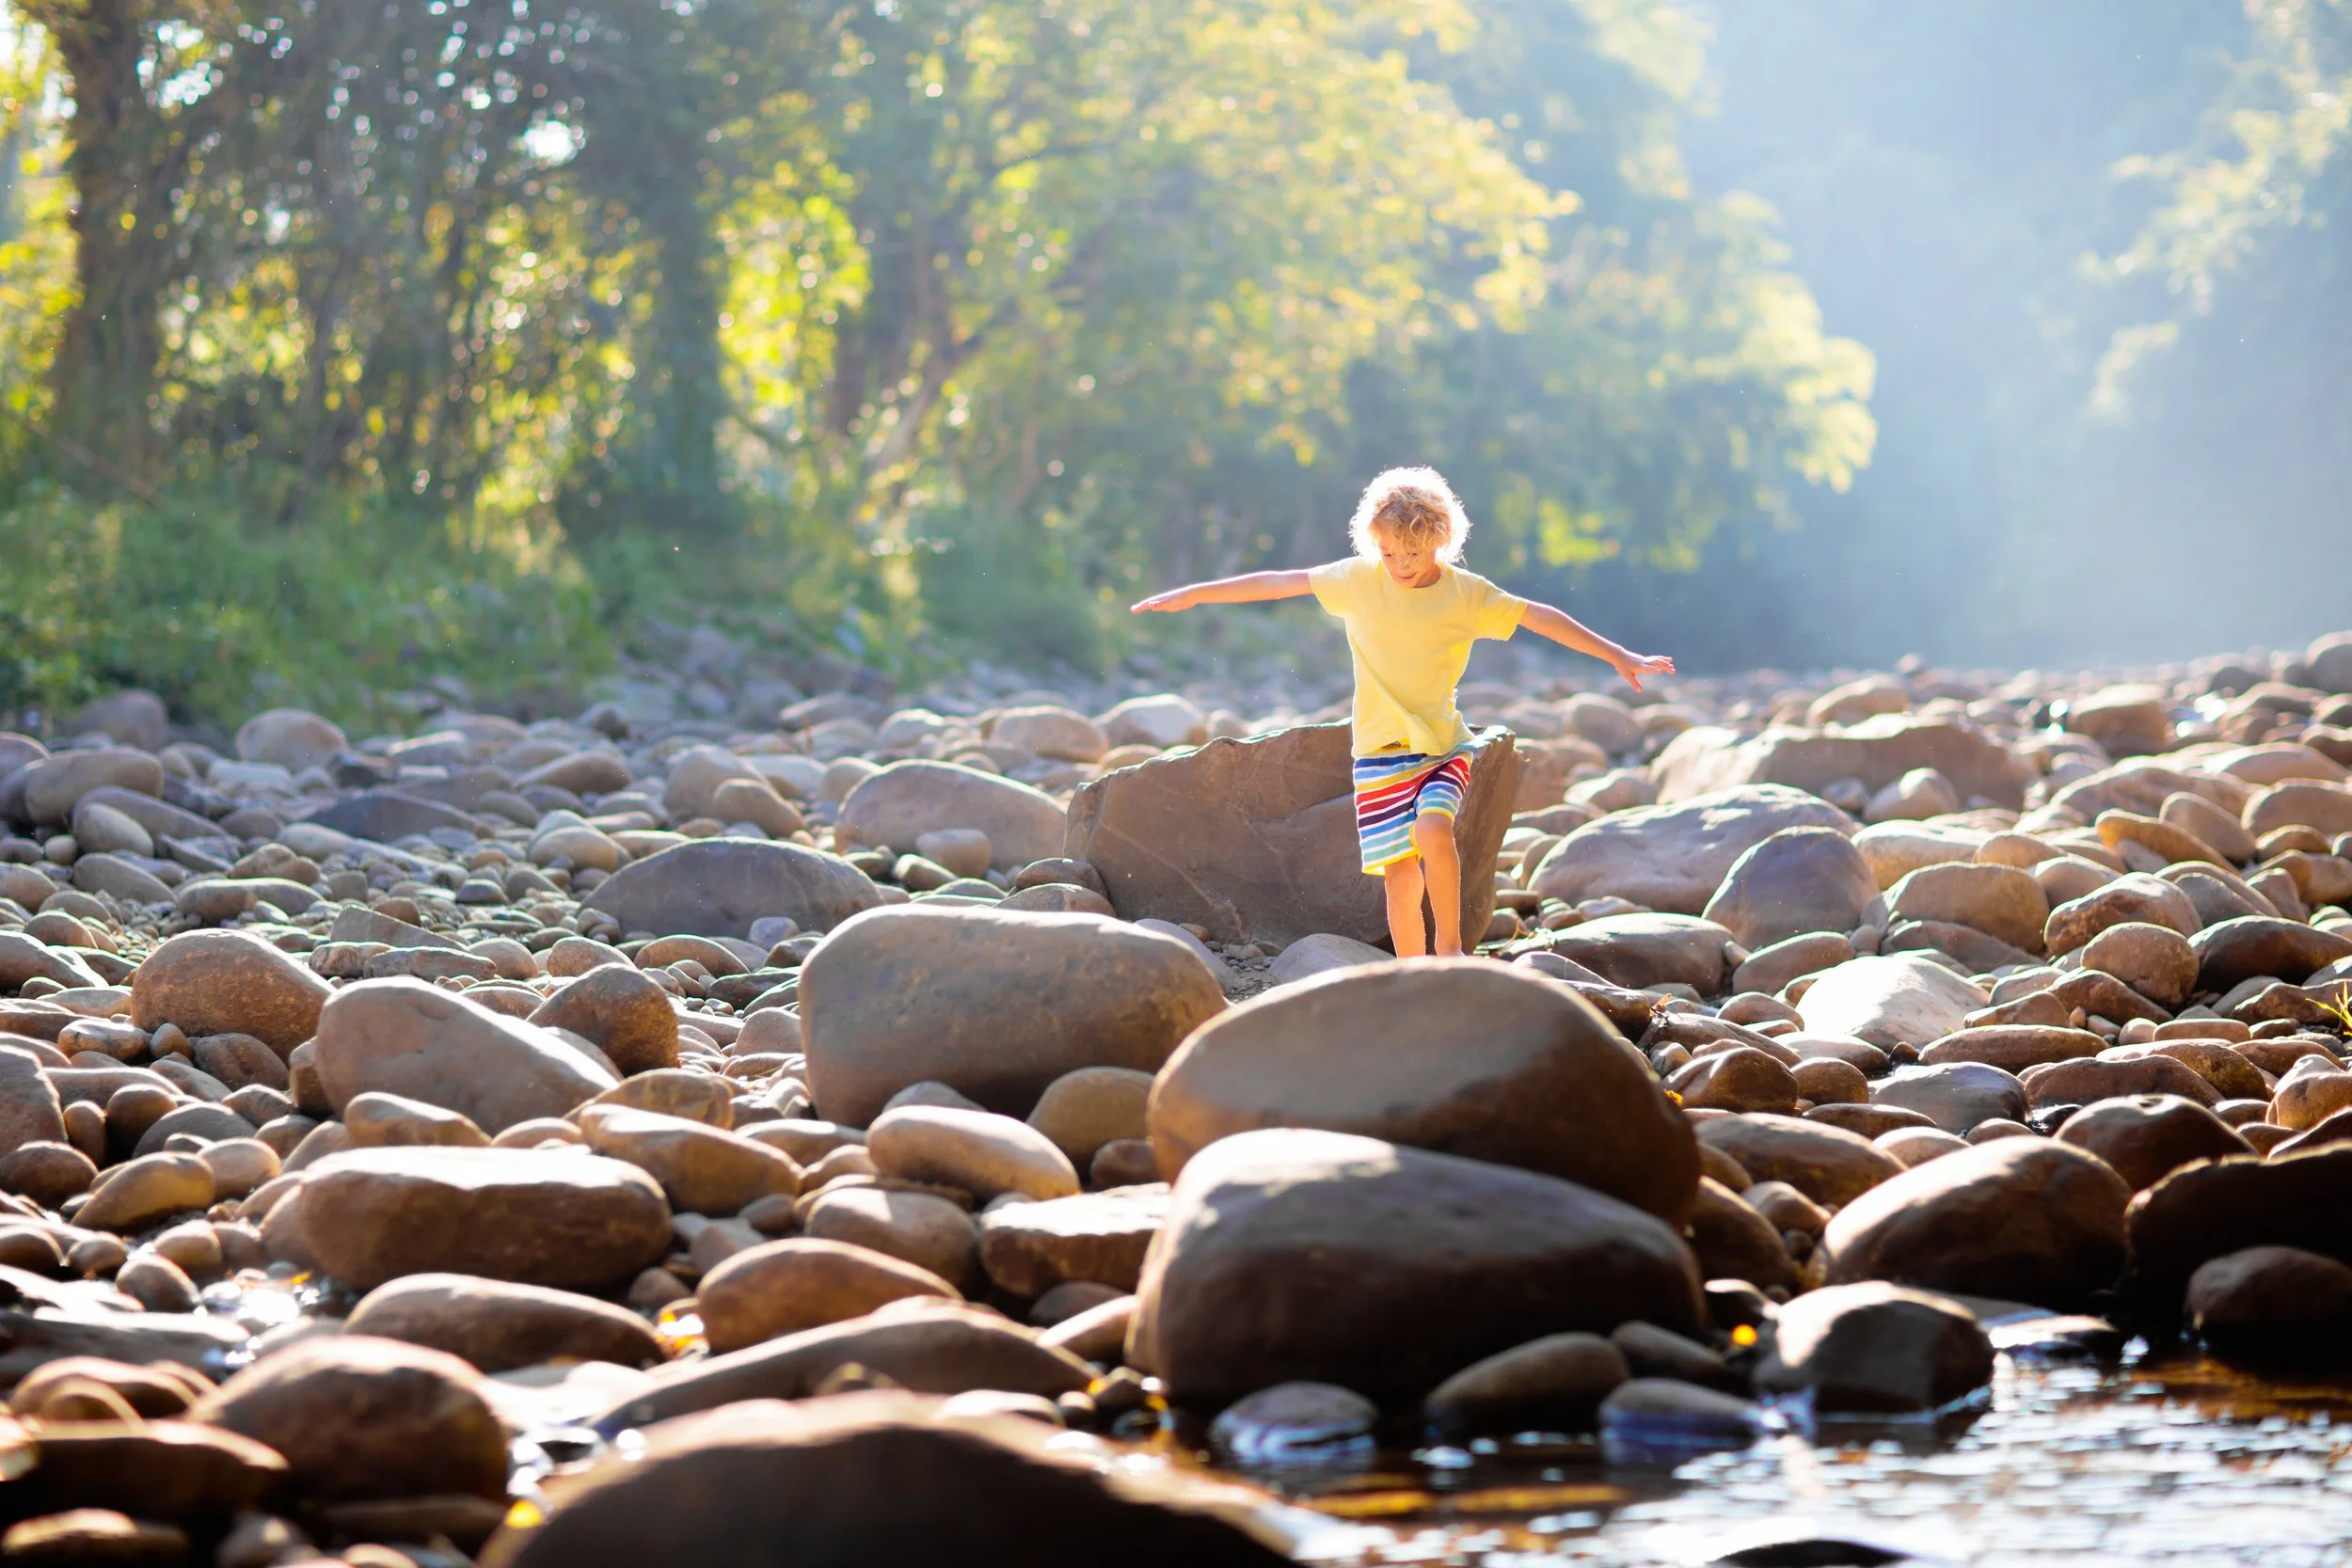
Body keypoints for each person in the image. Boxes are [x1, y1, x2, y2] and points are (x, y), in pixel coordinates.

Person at [1132, 466, 1675, 958]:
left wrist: (1618, 655)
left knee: (1435, 834)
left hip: (1443, 746)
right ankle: (1411, 970)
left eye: (1411, 554)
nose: (1398, 565)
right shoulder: (1358, 579)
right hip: (1378, 751)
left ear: (1439, 540)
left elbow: (1542, 617)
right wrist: (1195, 594)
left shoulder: (1468, 595)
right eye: (1388, 552)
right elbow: (1279, 582)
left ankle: (1450, 952)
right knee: (1398, 872)